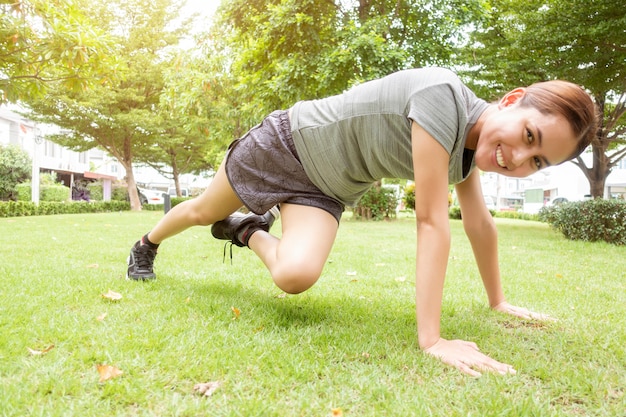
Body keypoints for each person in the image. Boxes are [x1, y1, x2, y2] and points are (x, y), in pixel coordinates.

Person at [126, 67, 597, 376]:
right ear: (513, 100)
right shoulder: (443, 97)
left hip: (325, 190)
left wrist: (499, 303)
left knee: (295, 276)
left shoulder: (466, 158)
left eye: (537, 162)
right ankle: (147, 243)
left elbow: (479, 224)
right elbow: (432, 221)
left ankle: (246, 228)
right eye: (528, 136)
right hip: (284, 145)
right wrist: (431, 340)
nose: (518, 159)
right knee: (199, 211)